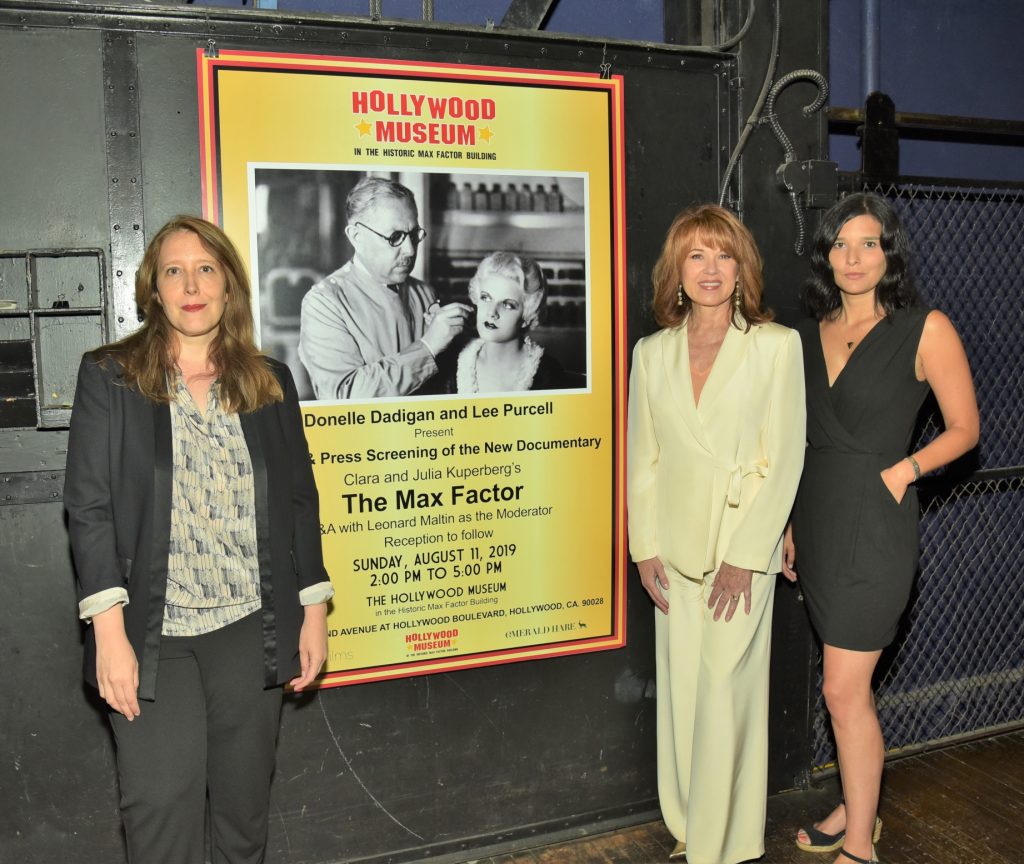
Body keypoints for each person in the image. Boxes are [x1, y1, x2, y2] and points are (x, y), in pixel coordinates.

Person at [64, 215, 335, 864]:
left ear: (229, 285)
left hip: (251, 630)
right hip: (154, 636)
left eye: (206, 269)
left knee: (243, 820)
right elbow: (89, 508)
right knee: (160, 819)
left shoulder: (269, 380)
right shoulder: (111, 377)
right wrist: (109, 635)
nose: (191, 286)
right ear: (153, 289)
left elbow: (300, 500)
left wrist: (314, 611)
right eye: (174, 271)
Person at [785, 193, 979, 864]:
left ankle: (861, 843)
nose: (854, 257)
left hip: (875, 526)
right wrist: (789, 523)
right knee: (847, 691)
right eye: (841, 244)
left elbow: (965, 429)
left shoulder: (924, 329)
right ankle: (854, 804)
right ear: (826, 256)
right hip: (818, 521)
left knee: (842, 689)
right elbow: (799, 440)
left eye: (868, 243)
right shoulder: (806, 334)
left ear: (888, 254)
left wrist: (906, 470)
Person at [628, 204, 806, 864]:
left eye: (724, 255)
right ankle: (688, 822)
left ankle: (720, 844)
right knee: (683, 691)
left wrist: (747, 555)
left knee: (725, 689)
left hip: (742, 544)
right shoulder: (652, 354)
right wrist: (643, 547)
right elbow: (642, 460)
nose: (710, 269)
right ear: (675, 271)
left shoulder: (776, 346)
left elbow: (785, 460)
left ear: (742, 269)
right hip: (672, 547)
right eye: (696, 255)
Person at [298, 176, 471, 399]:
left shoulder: (424, 293)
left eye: (414, 235)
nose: (410, 250)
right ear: (356, 236)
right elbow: (345, 396)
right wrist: (428, 346)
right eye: (395, 237)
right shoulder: (324, 303)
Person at [451, 251, 578, 393]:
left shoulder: (548, 374)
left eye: (507, 305)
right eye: (486, 298)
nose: (491, 312)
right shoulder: (453, 365)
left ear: (526, 316)